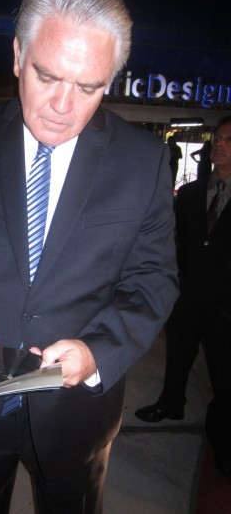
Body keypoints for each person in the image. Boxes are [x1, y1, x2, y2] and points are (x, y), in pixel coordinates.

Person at [0, 0, 178, 512]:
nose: (61, 106)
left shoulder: (142, 163)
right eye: (46, 76)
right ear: (17, 55)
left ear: (109, 80)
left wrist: (97, 353)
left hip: (76, 413)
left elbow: (153, 281)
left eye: (88, 86)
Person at [135, 116, 231, 479]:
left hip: (226, 304)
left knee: (224, 373)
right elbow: (174, 243)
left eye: (228, 139)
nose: (219, 144)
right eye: (217, 138)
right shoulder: (190, 193)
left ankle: (223, 440)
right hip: (187, 294)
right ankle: (171, 403)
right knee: (178, 356)